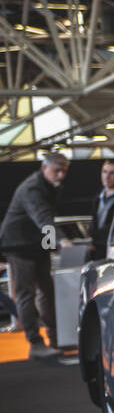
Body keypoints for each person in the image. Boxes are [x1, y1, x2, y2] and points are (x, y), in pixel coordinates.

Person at [0, 151, 68, 358]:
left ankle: (56, 339)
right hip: (18, 245)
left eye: (64, 170)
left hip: (36, 244)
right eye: (57, 170)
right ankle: (35, 343)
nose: (61, 175)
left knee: (47, 292)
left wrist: (50, 244)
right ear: (44, 168)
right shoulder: (32, 188)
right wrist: (60, 240)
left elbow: (44, 219)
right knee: (25, 294)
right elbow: (43, 217)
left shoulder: (48, 186)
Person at [88, 157, 114, 261]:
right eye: (104, 172)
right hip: (97, 253)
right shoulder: (97, 198)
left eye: (112, 173)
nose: (107, 177)